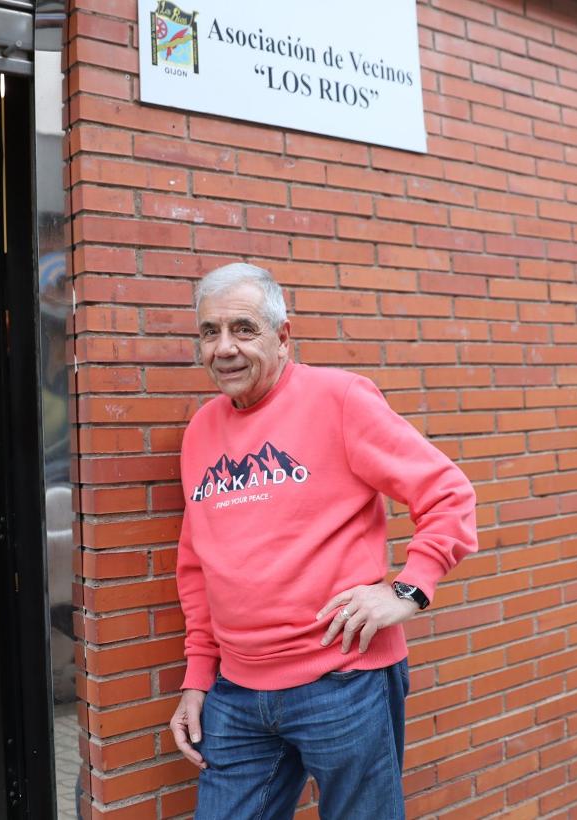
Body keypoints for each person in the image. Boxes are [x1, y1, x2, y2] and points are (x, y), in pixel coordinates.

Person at [169, 264, 479, 818]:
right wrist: (198, 677)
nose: (224, 348)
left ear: (283, 336)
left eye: (244, 329)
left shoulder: (339, 399)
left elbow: (448, 494)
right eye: (209, 332)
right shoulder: (200, 432)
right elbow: (196, 566)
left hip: (343, 680)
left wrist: (408, 590)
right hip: (236, 692)